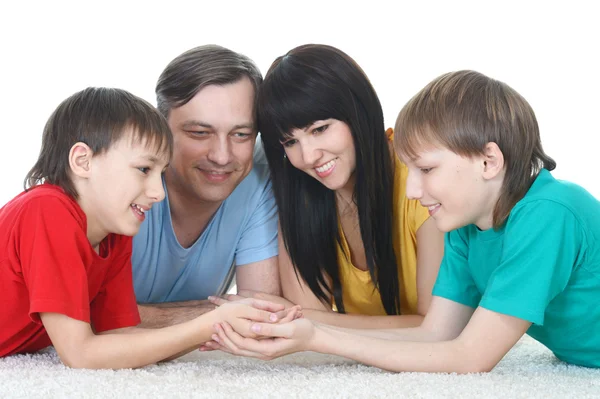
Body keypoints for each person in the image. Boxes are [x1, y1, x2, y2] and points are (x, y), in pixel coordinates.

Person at [206, 70, 600, 371]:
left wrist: (320, 338)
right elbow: (435, 334)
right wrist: (311, 334)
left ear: (488, 160)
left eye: (427, 169)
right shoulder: (466, 226)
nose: (412, 190)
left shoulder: (549, 213)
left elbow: (470, 357)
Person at [0, 87, 295, 369]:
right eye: (144, 169)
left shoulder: (114, 234)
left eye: (160, 173)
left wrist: (219, 325)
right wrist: (206, 324)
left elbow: (120, 337)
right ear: (83, 160)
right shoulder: (47, 210)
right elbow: (80, 353)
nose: (158, 192)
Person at [211, 44, 444, 329]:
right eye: (290, 142)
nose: (308, 157)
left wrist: (312, 321)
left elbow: (436, 327)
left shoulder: (421, 180)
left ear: (358, 111)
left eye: (320, 129)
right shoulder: (301, 192)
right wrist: (310, 321)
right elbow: (308, 316)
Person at [132, 45, 280, 328]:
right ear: (159, 127)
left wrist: (140, 314)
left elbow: (262, 312)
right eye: (200, 133)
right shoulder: (119, 174)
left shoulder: (260, 173)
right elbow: (87, 315)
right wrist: (221, 312)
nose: (222, 156)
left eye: (241, 134)